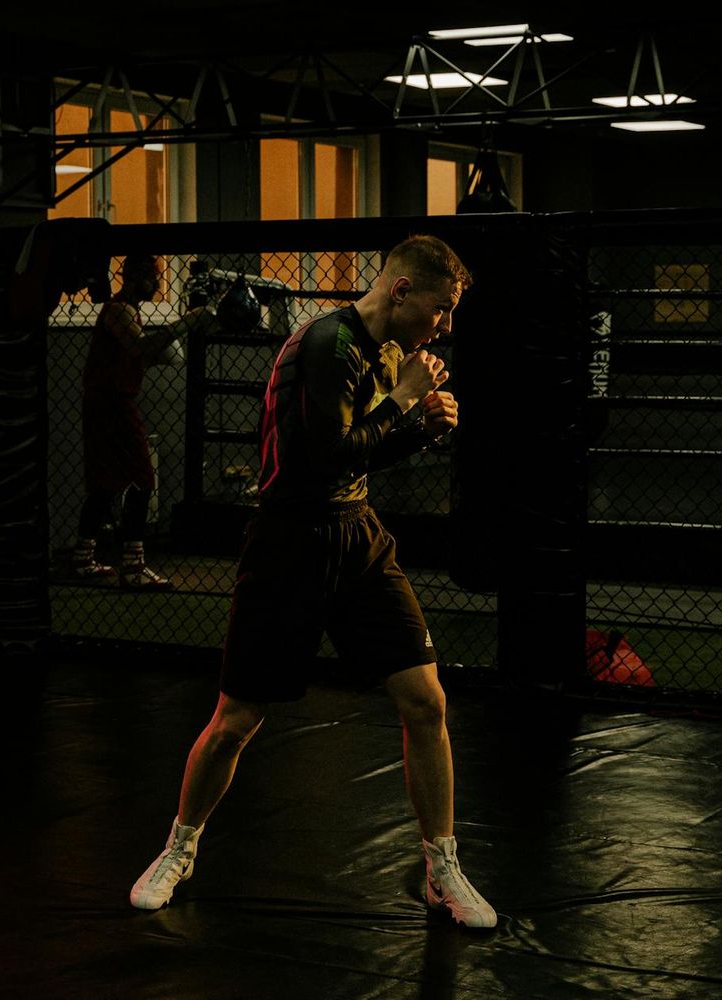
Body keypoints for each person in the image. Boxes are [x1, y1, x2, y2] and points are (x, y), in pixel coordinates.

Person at [129, 234, 498, 929]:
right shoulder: (328, 344)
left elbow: (367, 448)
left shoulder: (387, 351)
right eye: (441, 309)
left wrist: (420, 422)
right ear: (402, 291)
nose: (444, 325)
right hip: (288, 539)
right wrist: (411, 409)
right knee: (237, 719)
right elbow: (327, 456)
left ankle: (442, 867)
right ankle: (179, 847)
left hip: (356, 535)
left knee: (425, 701)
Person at [71, 253, 214, 589]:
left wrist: (166, 342)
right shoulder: (119, 310)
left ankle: (81, 559)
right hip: (113, 403)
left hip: (107, 402)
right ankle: (133, 567)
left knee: (106, 482)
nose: (158, 283)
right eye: (153, 276)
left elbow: (143, 353)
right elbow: (140, 347)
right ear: (136, 277)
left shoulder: (126, 311)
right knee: (142, 478)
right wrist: (186, 323)